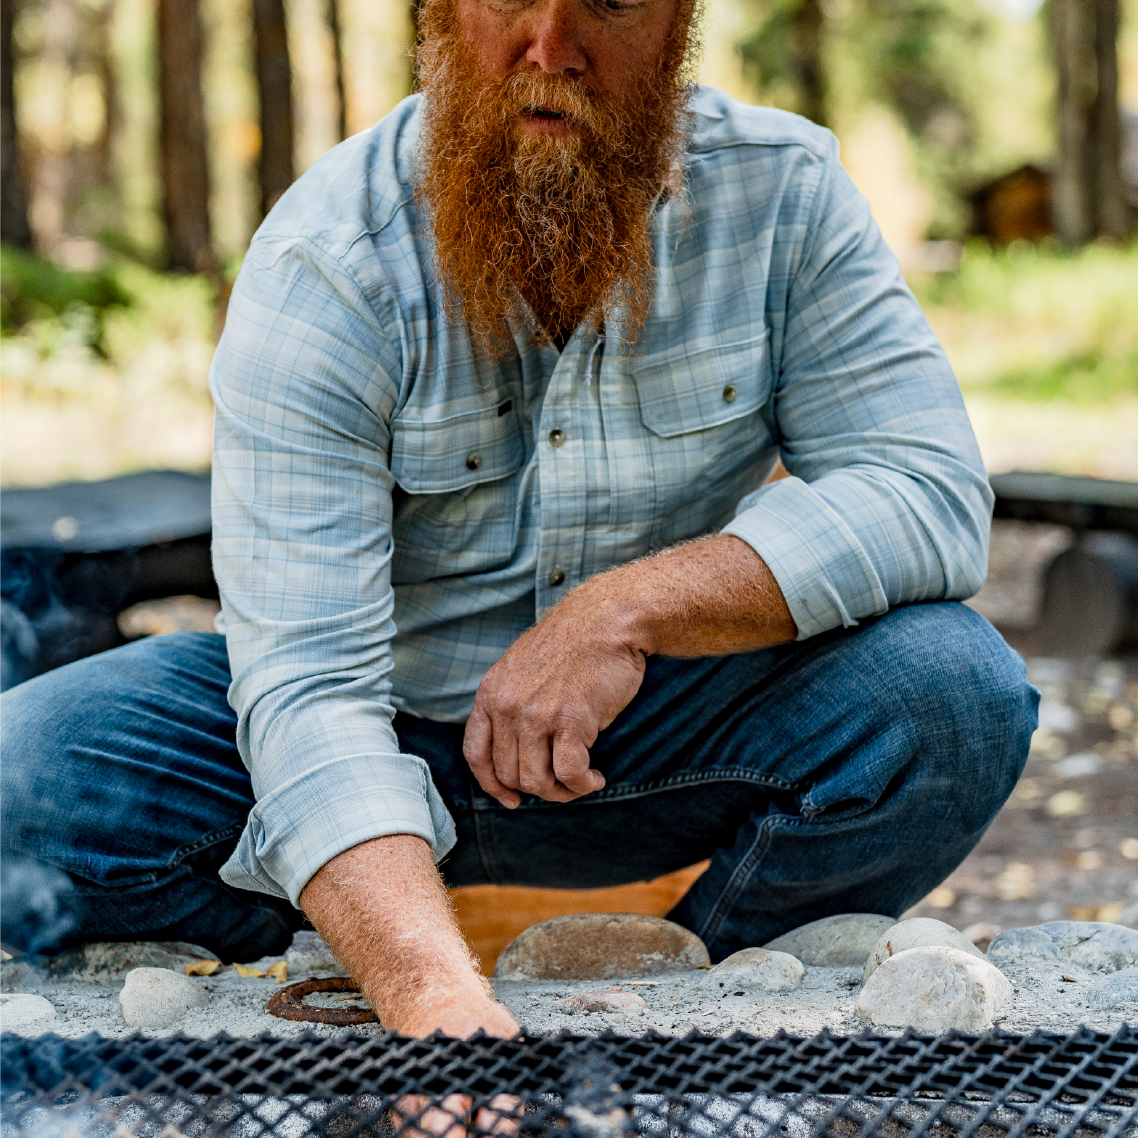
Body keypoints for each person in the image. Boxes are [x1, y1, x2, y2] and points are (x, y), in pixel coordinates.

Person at [1, 0, 1038, 1044]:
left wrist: (622, 612)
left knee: (952, 693)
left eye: (609, 4)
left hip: (646, 737)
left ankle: (677, 1004)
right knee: (21, 780)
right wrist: (429, 998)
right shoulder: (324, 262)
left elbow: (925, 486)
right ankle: (372, 934)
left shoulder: (788, 194)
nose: (549, 51)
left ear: (676, 22)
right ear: (438, 16)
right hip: (377, 719)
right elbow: (310, 687)